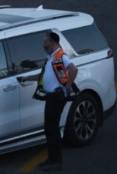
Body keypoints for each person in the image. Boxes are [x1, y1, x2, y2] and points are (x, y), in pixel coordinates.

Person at [17, 31, 78, 171]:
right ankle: (52, 159)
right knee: (49, 129)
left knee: (53, 129)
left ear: (53, 43)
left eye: (45, 42)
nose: (43, 45)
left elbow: (74, 70)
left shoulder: (60, 56)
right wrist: (27, 78)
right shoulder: (51, 58)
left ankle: (57, 161)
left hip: (57, 97)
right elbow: (43, 76)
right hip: (51, 97)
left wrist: (68, 86)